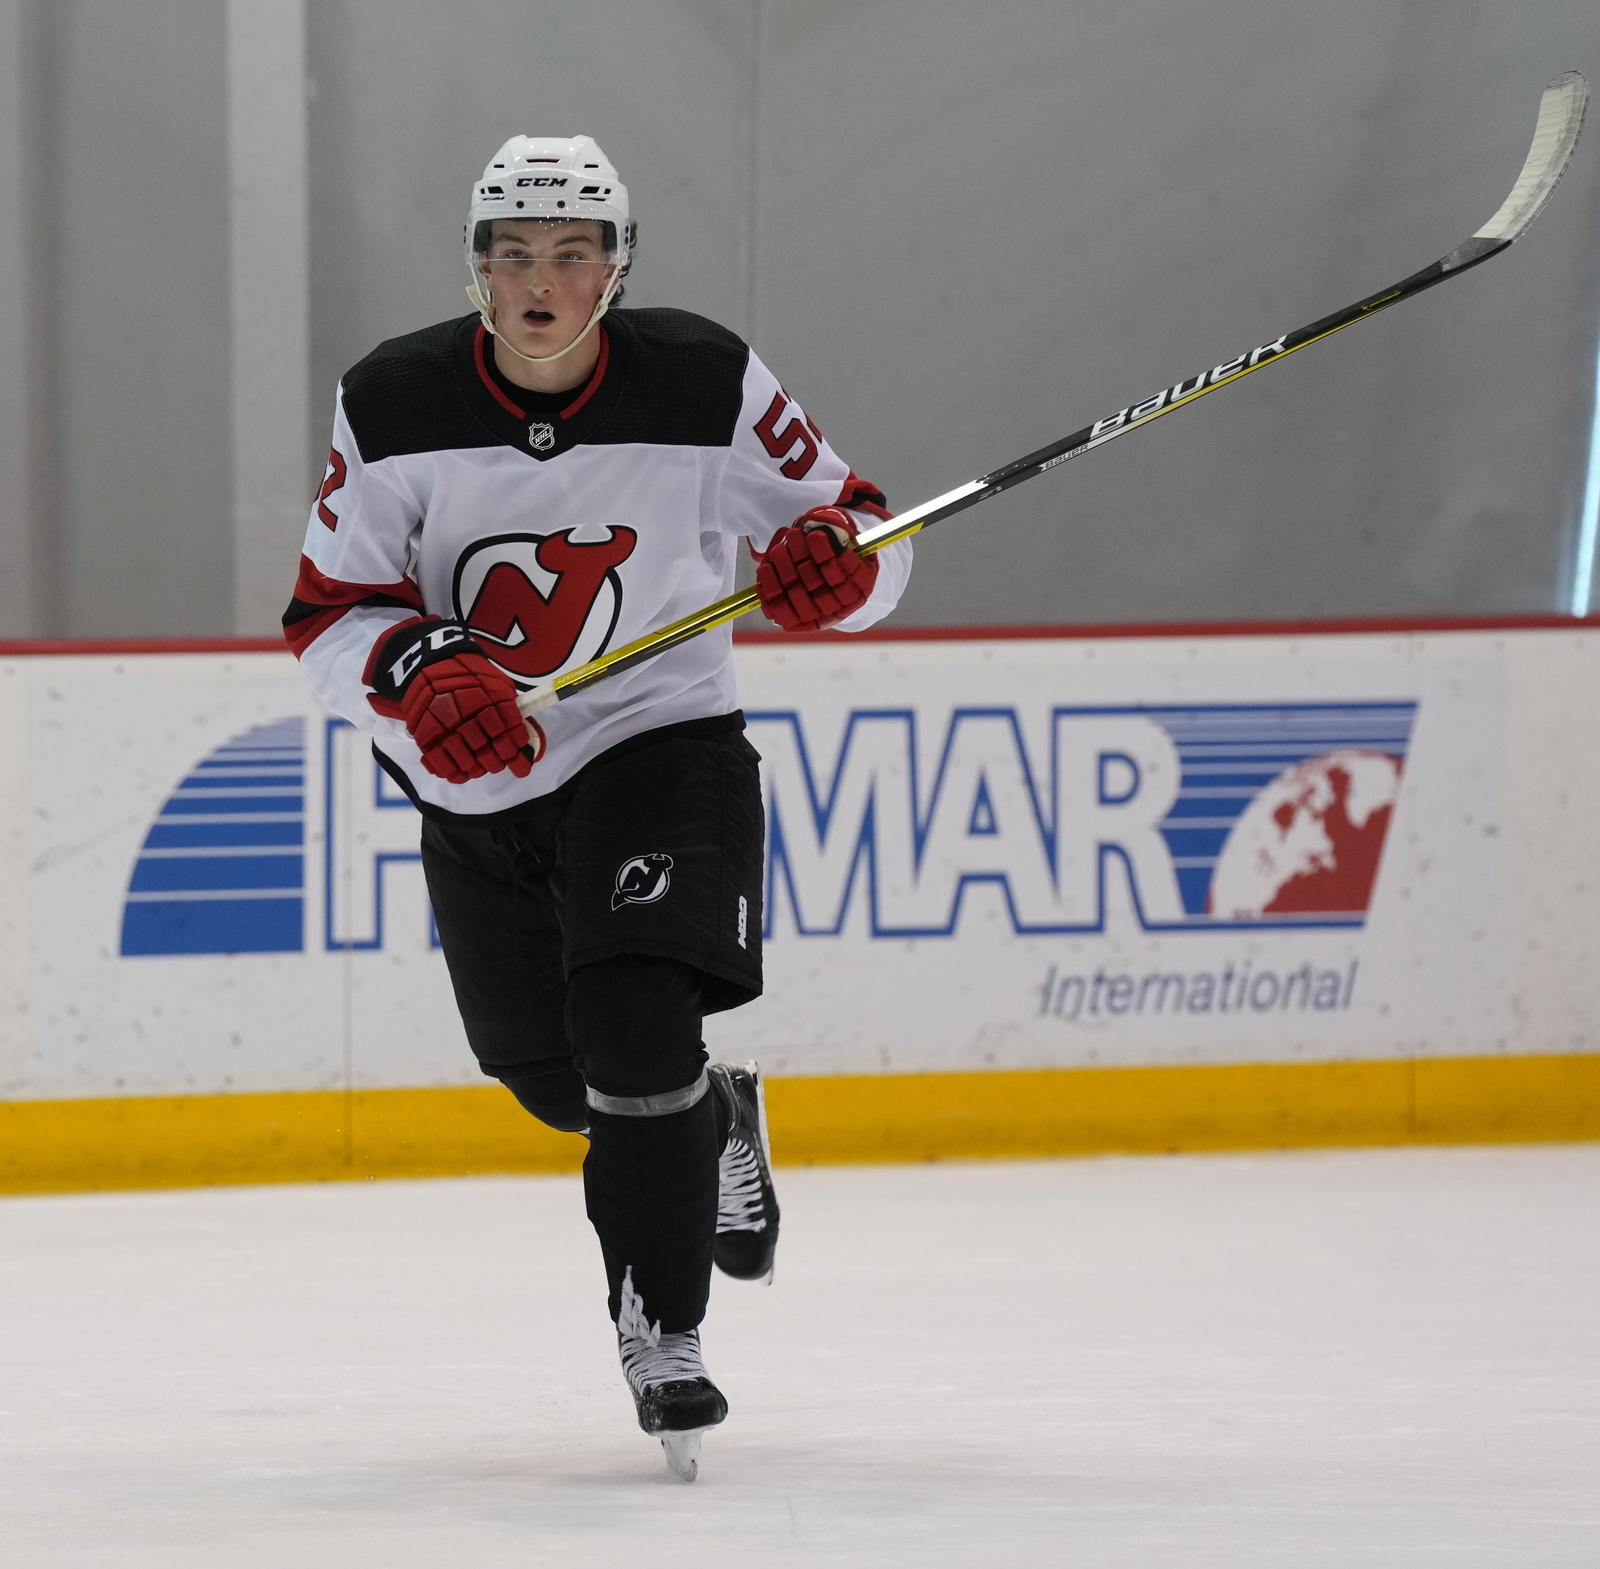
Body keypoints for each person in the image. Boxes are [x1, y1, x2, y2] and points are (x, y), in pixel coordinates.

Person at [282, 134, 911, 1480]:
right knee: (555, 1082)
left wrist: (841, 569)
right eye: (514, 253)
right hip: (482, 782)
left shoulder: (704, 379)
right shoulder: (391, 399)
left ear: (616, 268)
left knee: (634, 1028)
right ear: (476, 265)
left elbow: (859, 529)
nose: (541, 281)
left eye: (573, 253)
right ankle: (711, 1121)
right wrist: (416, 669)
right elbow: (328, 615)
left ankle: (664, 1335)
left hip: (656, 743)